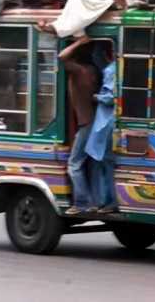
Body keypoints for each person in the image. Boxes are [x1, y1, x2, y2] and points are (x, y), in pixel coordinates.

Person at [59, 37, 100, 215]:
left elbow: (61, 57)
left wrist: (77, 43)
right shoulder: (91, 70)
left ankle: (82, 203)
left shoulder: (79, 71)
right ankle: (91, 201)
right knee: (87, 163)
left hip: (86, 124)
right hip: (91, 123)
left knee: (74, 164)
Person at [85, 41, 118, 214]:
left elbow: (111, 97)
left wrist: (96, 97)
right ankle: (103, 200)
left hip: (106, 123)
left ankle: (107, 201)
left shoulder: (113, 70)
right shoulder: (111, 67)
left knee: (105, 163)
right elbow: (97, 59)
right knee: (103, 163)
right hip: (104, 122)